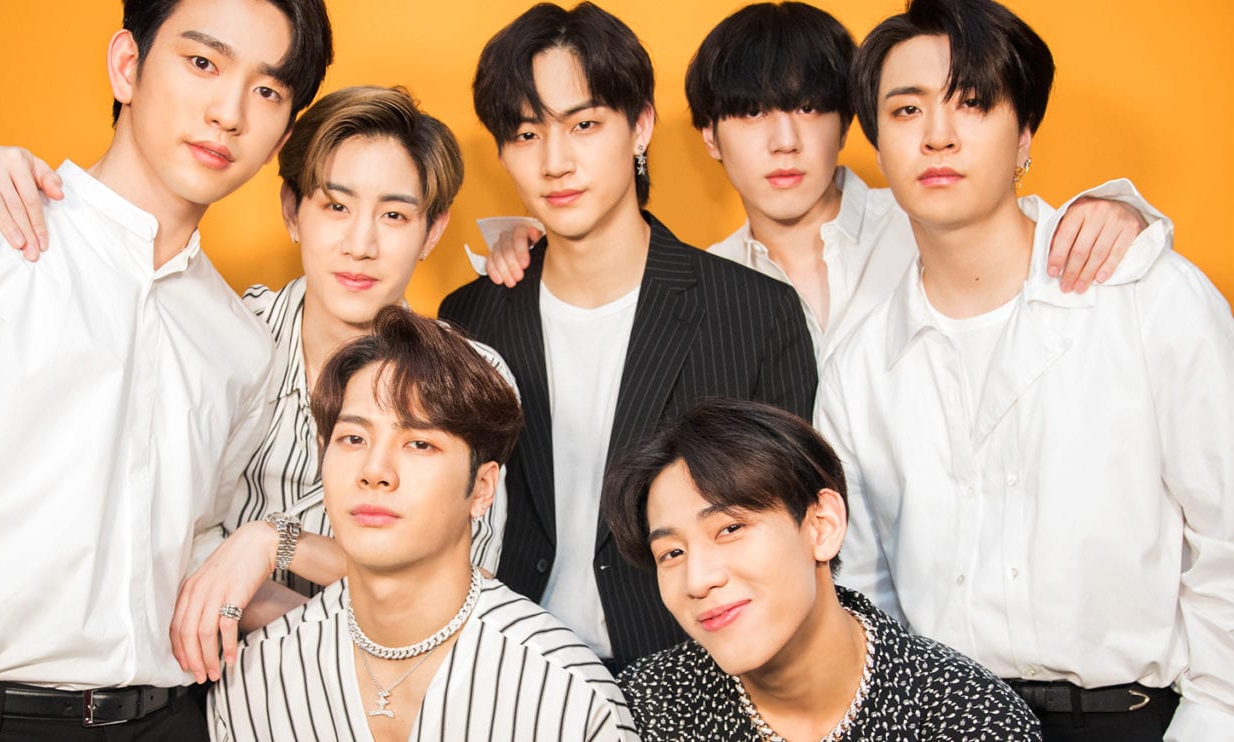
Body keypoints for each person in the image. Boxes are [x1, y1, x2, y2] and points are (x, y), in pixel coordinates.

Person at [0, 85, 519, 688]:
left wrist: (276, 543)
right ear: (292, 211)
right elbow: (150, 547)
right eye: (335, 206)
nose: (360, 245)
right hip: (210, 694)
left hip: (393, 699)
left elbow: (464, 592)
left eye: (394, 215)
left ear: (431, 232)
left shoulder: (468, 375)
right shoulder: (215, 339)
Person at [813, 0, 1234, 739]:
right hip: (948, 719)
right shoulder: (860, 368)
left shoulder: (1147, 296)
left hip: (1139, 717)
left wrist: (1212, 718)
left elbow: (1225, 531)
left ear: (1025, 135)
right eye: (906, 110)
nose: (938, 135)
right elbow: (860, 592)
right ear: (875, 140)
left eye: (973, 103)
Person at [0, 0, 332, 738]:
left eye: (267, 90)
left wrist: (368, 621)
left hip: (168, 718)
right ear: (127, 66)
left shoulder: (242, 344)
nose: (229, 113)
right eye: (202, 62)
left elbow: (190, 552)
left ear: (281, 136)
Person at [437, 1, 818, 671]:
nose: (555, 162)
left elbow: (792, 534)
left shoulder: (755, 313)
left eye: (584, 124)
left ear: (640, 125)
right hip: (505, 669)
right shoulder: (472, 316)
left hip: (693, 672)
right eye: (526, 134)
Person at [476, 1, 1169, 367]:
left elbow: (1023, 231)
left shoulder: (928, 222)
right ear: (710, 136)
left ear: (850, 123)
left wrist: (1123, 209)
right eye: (751, 113)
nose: (784, 141)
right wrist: (529, 242)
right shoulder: (703, 284)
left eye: (809, 108)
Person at [210, 305, 639, 741]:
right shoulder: (253, 680)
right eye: (354, 438)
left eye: (419, 444)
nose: (375, 471)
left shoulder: (567, 691)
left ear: (482, 487)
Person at [603, 399, 1039, 740]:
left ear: (822, 526)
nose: (698, 580)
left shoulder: (965, 713)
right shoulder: (638, 708)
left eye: (730, 528)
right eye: (672, 553)